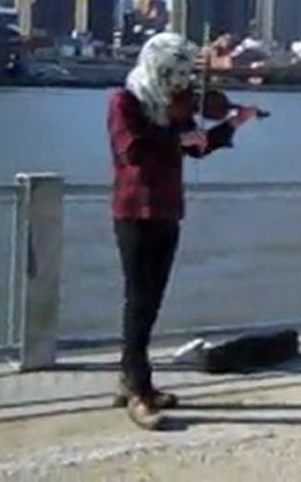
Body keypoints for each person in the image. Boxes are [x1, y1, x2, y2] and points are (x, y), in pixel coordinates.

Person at [106, 31, 259, 429]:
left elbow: (198, 146)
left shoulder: (172, 106)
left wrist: (233, 123)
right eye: (175, 75)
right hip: (135, 213)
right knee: (139, 302)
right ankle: (139, 391)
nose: (183, 85)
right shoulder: (124, 101)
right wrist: (176, 137)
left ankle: (131, 379)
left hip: (168, 211)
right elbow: (132, 150)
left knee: (151, 301)